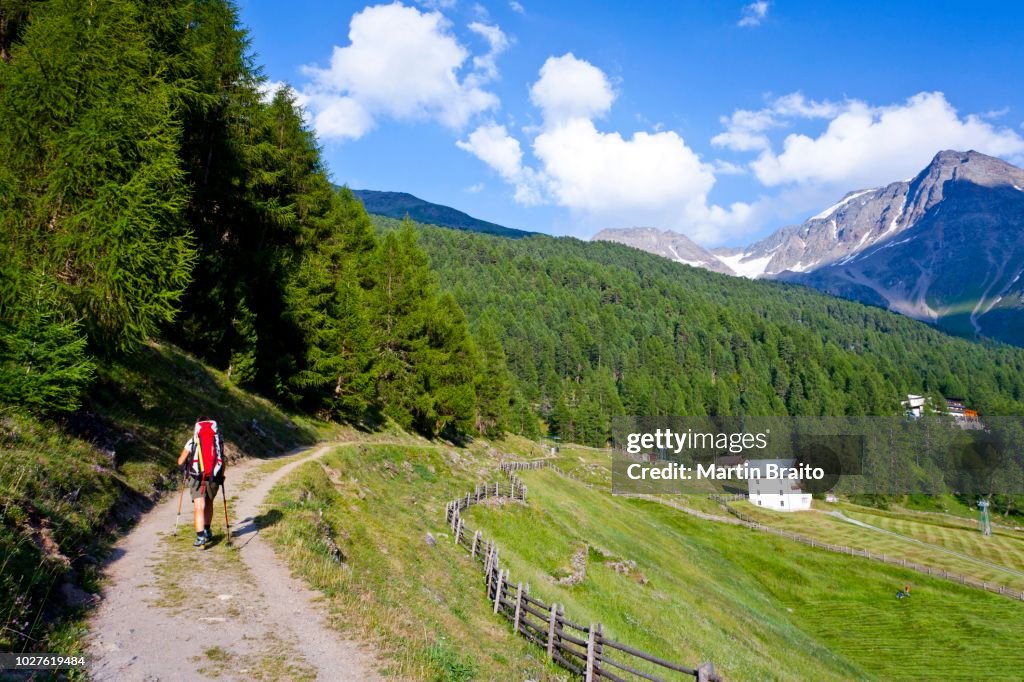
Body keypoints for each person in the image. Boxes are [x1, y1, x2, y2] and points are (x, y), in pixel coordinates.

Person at [177, 417, 225, 548]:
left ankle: (200, 537)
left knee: (199, 506)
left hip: (197, 477)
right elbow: (222, 459)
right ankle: (207, 530)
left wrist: (186, 465)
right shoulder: (218, 439)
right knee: (209, 503)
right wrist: (221, 475)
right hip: (214, 476)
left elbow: (180, 461)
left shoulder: (192, 440)